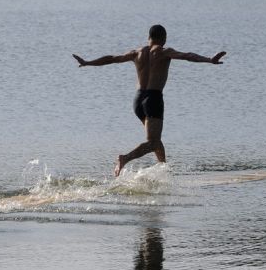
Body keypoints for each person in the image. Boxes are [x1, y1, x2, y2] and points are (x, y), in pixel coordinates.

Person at [73, 24, 226, 176]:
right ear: (163, 38)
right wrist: (209, 59)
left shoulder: (136, 53)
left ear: (149, 38)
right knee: (153, 142)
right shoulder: (164, 52)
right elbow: (187, 56)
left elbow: (112, 59)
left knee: (156, 140)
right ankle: (125, 158)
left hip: (138, 100)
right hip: (153, 99)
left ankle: (165, 169)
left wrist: (88, 62)